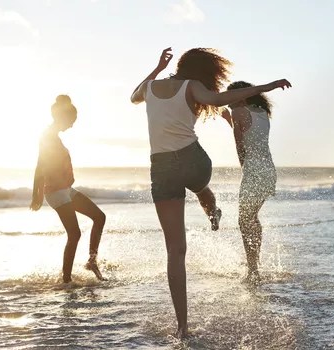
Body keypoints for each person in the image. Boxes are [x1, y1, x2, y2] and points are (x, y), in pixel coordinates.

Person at [130, 47, 291, 338]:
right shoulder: (193, 87)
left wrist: (156, 68)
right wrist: (267, 87)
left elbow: (134, 97)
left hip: (162, 169)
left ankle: (182, 327)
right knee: (201, 187)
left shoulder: (151, 87)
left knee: (175, 251)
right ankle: (211, 205)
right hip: (194, 162)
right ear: (204, 72)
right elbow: (219, 100)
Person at [30, 95, 106, 284]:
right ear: (63, 118)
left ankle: (91, 262)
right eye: (71, 121)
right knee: (74, 234)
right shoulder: (47, 136)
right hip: (55, 191)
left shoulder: (54, 136)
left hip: (65, 189)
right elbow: (40, 166)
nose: (72, 125)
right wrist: (36, 195)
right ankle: (66, 280)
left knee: (99, 217)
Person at [222, 81, 284, 284]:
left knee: (244, 220)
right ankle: (254, 265)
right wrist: (227, 119)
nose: (227, 100)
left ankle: (253, 270)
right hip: (268, 171)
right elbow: (251, 134)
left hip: (254, 172)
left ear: (242, 96)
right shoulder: (262, 112)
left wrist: (245, 170)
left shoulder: (238, 112)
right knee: (251, 218)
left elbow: (241, 146)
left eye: (231, 96)